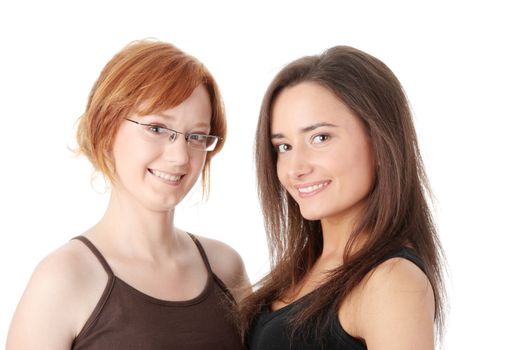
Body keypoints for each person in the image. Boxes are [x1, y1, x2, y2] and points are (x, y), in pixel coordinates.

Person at [6, 39, 250, 350]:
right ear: (106, 129)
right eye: (157, 128)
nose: (180, 157)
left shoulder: (225, 267)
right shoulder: (63, 279)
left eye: (196, 136)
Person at [240, 46, 446, 349]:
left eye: (320, 138)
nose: (295, 168)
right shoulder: (302, 269)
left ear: (380, 142)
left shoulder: (391, 281)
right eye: (283, 146)